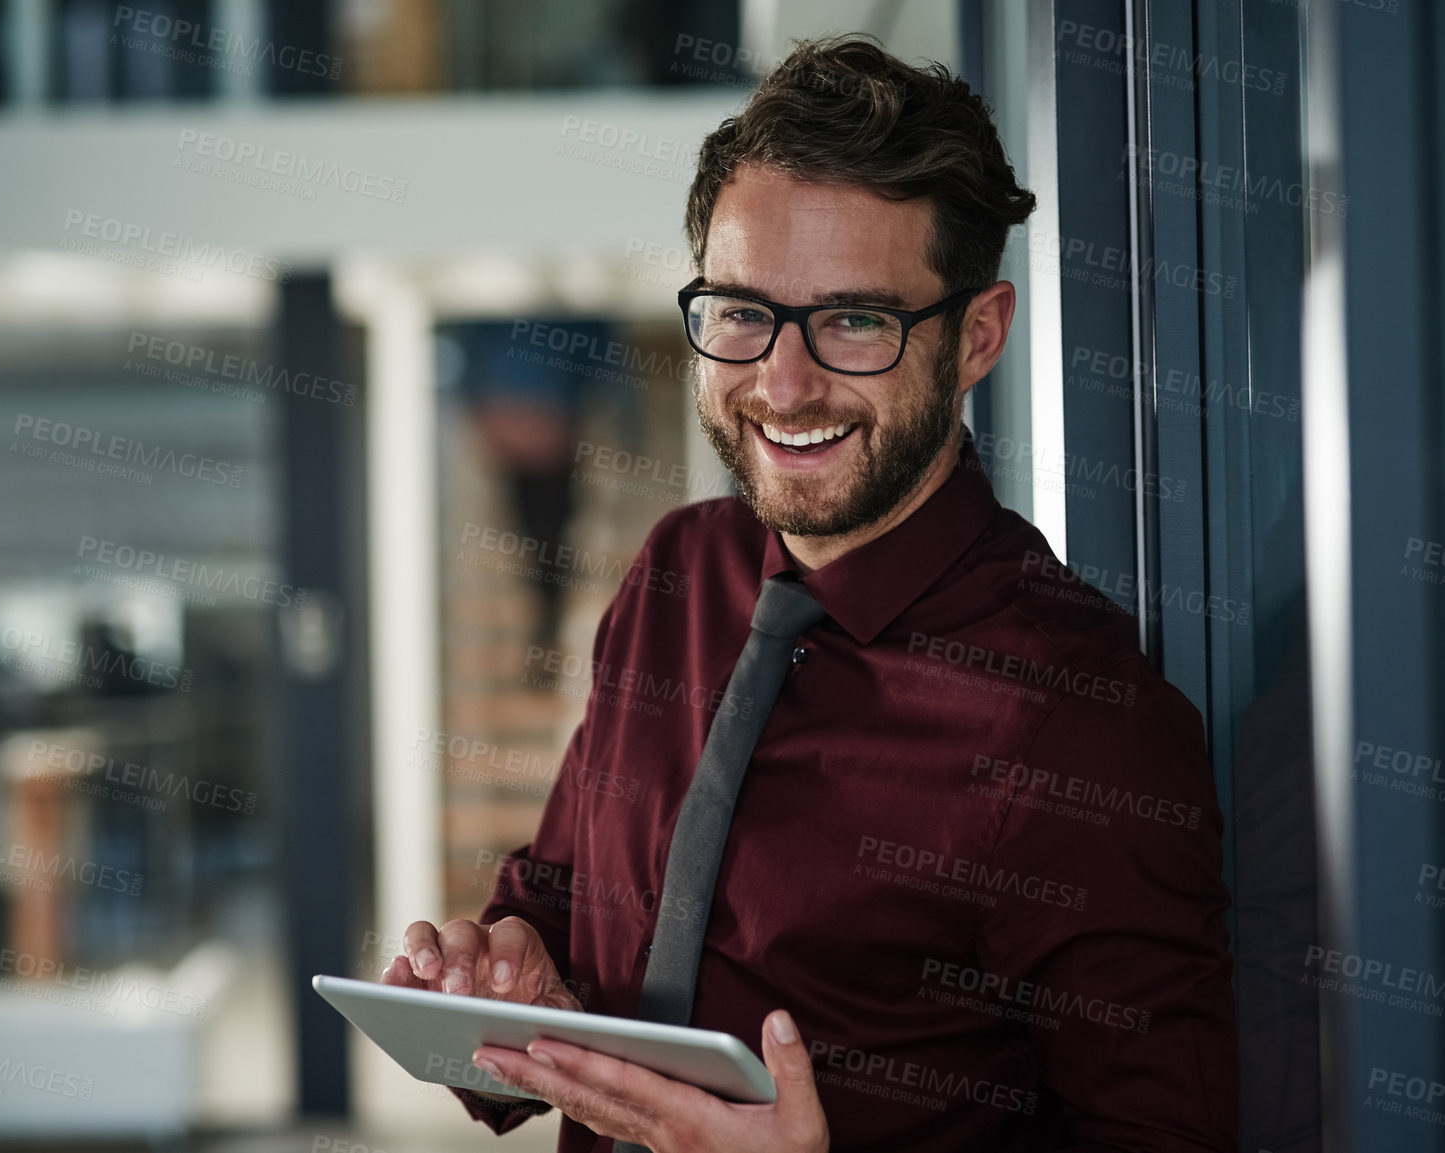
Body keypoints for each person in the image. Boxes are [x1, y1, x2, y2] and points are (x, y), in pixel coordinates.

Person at [381, 35, 1236, 1152]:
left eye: (854, 322)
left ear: (976, 336)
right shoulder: (674, 576)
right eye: (741, 312)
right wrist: (507, 984)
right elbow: (558, 899)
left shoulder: (1077, 719)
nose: (781, 384)